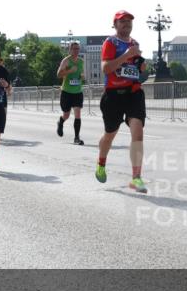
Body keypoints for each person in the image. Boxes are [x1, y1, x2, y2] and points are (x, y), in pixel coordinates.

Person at [95, 11, 149, 193]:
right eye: (122, 21)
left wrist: (141, 66)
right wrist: (127, 55)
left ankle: (136, 178)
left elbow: (137, 69)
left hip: (133, 93)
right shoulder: (110, 43)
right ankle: (101, 162)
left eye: (129, 21)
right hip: (113, 96)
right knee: (110, 135)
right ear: (115, 24)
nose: (127, 24)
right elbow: (106, 68)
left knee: (138, 132)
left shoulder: (135, 44)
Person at [56, 40, 85, 145]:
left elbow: (82, 75)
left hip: (77, 91)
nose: (76, 51)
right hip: (66, 92)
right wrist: (69, 71)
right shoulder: (66, 61)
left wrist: (82, 77)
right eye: (74, 49)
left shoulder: (81, 61)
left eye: (78, 49)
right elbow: (58, 74)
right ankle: (61, 121)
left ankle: (76, 138)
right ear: (70, 50)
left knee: (78, 114)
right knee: (67, 115)